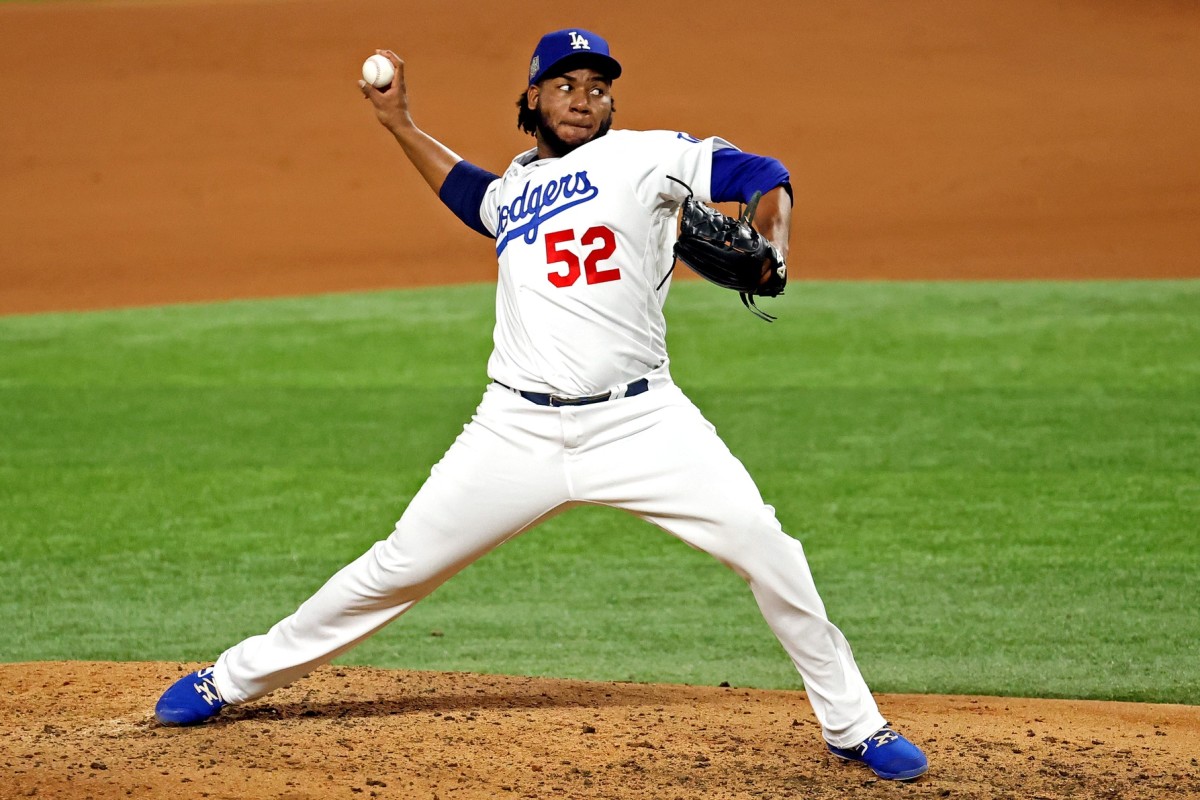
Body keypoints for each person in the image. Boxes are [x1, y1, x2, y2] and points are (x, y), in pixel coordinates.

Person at [154, 28, 928, 782]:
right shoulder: (516, 187)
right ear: (532, 97)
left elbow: (762, 171)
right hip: (514, 431)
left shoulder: (645, 157)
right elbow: (470, 195)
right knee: (396, 568)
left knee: (767, 548)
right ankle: (233, 678)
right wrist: (401, 126)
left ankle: (855, 725)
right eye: (565, 85)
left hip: (640, 423)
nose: (583, 99)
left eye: (598, 88)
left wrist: (771, 233)